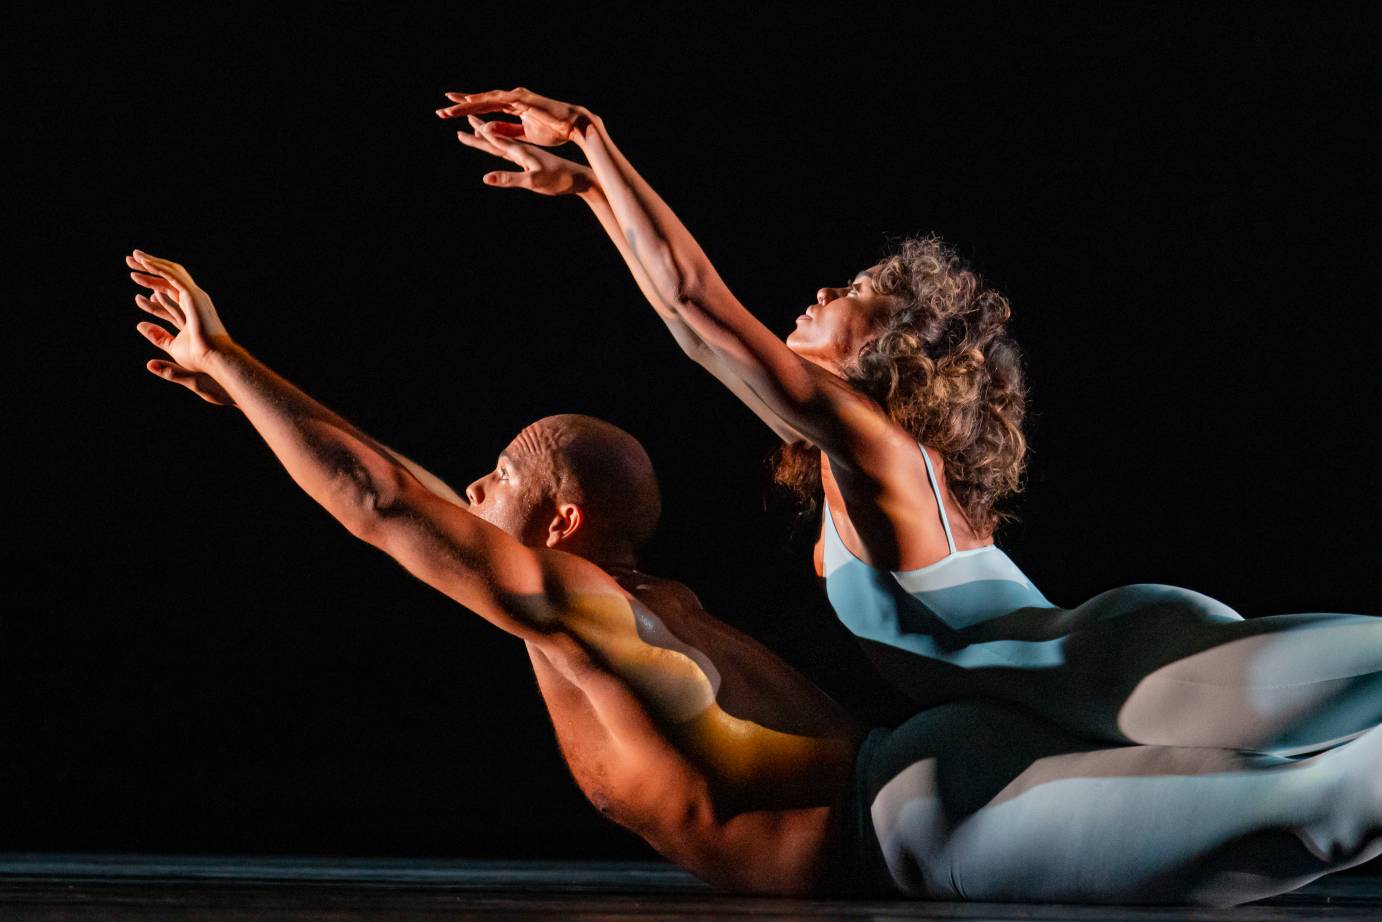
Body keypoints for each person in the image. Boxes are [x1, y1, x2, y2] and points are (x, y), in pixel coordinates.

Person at [128, 250, 1381, 904]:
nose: (472, 485)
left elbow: (382, 502)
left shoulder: (585, 616)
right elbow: (413, 488)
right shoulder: (652, 610)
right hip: (940, 762)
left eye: (497, 474)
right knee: (1312, 793)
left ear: (556, 520)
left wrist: (232, 361)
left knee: (1318, 810)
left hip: (915, 825)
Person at [440, 87, 1382, 756]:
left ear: (893, 360)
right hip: (1118, 682)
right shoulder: (859, 467)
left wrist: (596, 143)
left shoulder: (876, 444)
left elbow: (696, 310)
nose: (820, 288)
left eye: (854, 293)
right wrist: (591, 193)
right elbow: (696, 327)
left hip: (1140, 672)